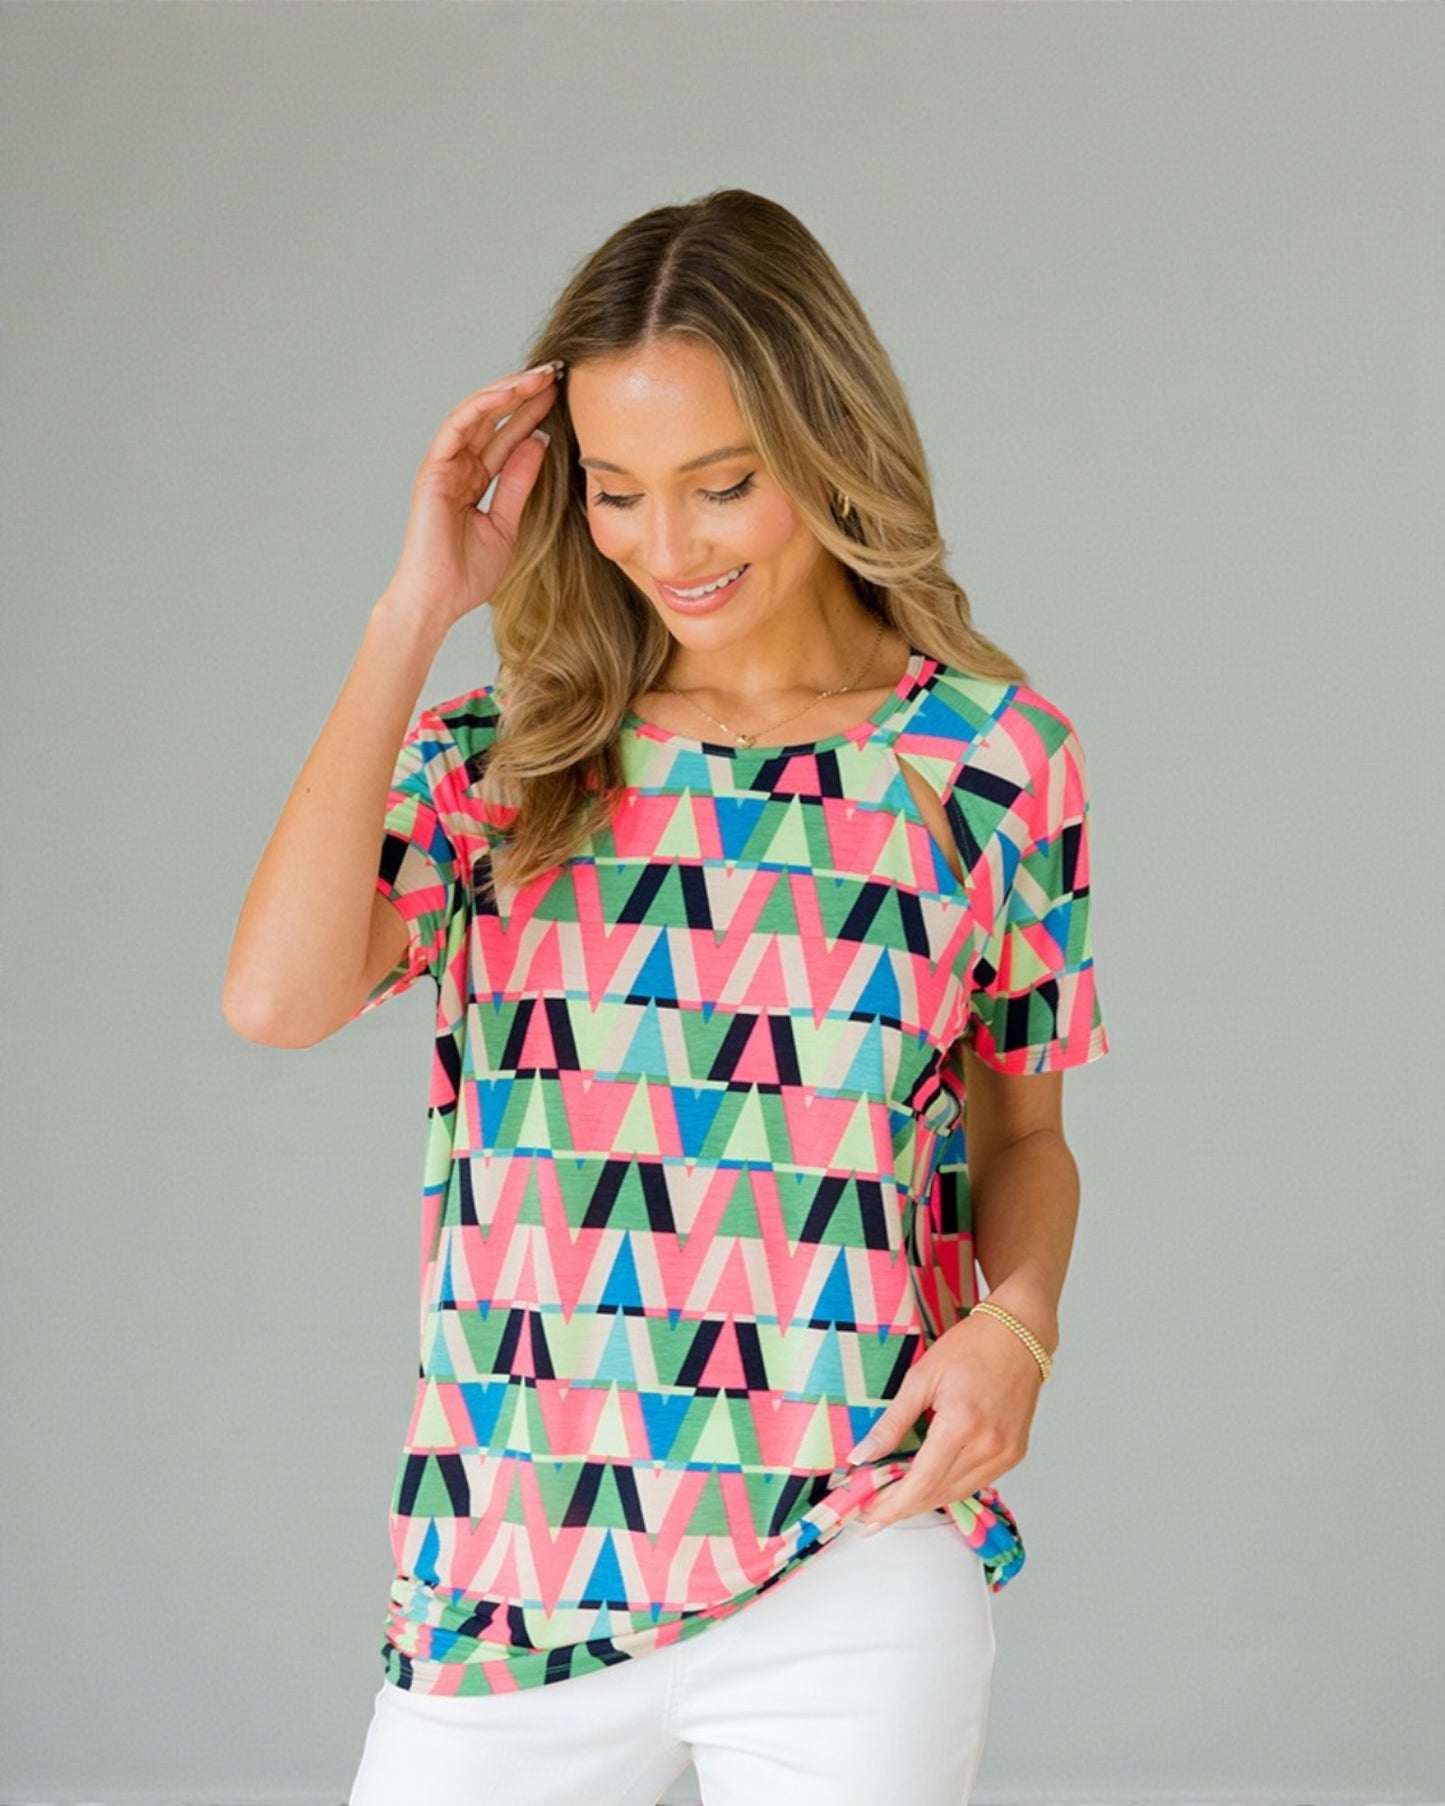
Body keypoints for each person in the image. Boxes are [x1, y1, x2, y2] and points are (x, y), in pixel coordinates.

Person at [223, 188, 1110, 1806]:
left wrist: (1017, 1325)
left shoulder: (986, 761)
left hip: (854, 1552)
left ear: (827, 444)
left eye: (723, 484)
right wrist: (412, 612)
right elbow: (279, 997)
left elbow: (1024, 1132)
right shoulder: (515, 757)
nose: (668, 546)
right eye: (618, 493)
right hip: (505, 1571)